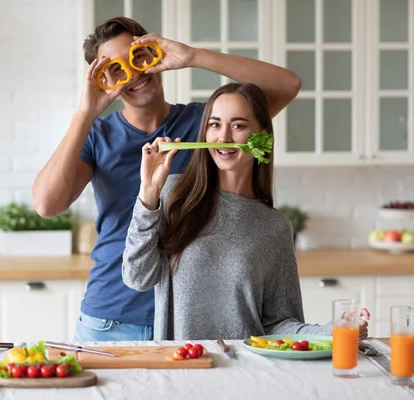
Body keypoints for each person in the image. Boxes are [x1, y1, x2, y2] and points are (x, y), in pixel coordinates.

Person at [32, 16, 303, 342]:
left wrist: (191, 57)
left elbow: (287, 85)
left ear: (154, 55)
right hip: (111, 320)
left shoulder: (206, 126)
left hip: (188, 321)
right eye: (115, 70)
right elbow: (47, 204)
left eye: (138, 57)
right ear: (104, 82)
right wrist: (85, 113)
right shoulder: (96, 136)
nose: (133, 74)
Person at [121, 82, 371, 340]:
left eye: (238, 125)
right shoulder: (173, 194)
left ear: (262, 136)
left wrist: (331, 331)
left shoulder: (275, 226)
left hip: (248, 370)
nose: (223, 137)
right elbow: (137, 277)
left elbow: (279, 323)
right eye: (214, 124)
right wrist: (148, 194)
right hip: (182, 366)